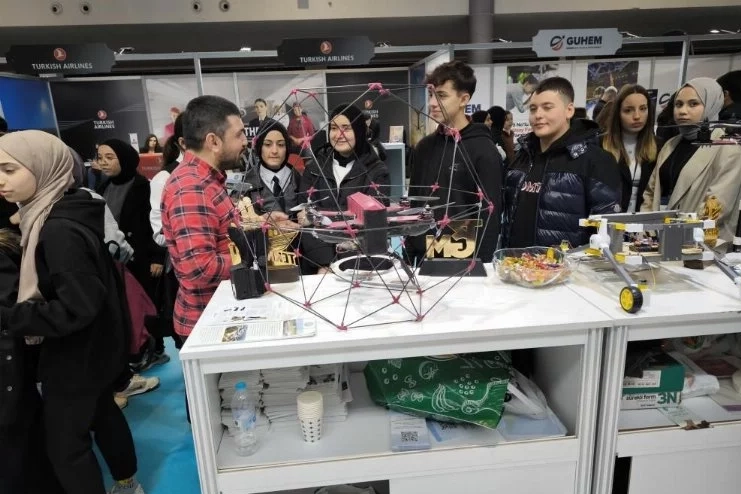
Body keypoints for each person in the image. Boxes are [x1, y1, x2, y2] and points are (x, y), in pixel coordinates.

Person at [0, 130, 144, 494]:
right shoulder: (63, 210)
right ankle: (128, 482)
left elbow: (77, 306)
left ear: (42, 167)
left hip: (76, 354)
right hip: (96, 347)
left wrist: (12, 317)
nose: (1, 181)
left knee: (66, 448)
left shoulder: (57, 228)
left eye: (9, 170)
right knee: (102, 413)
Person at [161, 95, 246, 341]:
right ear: (213, 141)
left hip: (221, 316)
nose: (245, 141)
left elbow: (220, 235)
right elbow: (200, 268)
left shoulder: (207, 180)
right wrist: (255, 251)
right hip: (209, 326)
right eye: (239, 134)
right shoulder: (192, 188)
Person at [502, 77, 621, 249]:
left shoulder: (596, 161)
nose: (538, 115)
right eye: (533, 109)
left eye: (547, 107)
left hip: (567, 265)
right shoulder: (522, 157)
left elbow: (607, 232)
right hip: (514, 262)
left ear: (569, 110)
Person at [406, 61, 502, 264]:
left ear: (463, 99)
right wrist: (410, 252)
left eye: (441, 95)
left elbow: (490, 217)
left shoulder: (483, 150)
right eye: (431, 95)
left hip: (462, 258)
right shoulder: (424, 147)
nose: (432, 103)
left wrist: (481, 266)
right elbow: (415, 202)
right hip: (423, 257)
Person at [641, 77, 741, 250]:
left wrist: (674, 237)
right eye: (678, 104)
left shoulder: (728, 147)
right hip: (658, 242)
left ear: (712, 104)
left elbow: (716, 207)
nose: (682, 111)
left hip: (700, 247)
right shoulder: (671, 144)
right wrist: (647, 231)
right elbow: (651, 193)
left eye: (693, 104)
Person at [97, 139, 168, 366]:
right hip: (116, 261)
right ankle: (134, 351)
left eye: (110, 157)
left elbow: (153, 224)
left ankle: (155, 350)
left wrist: (157, 256)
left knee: (146, 305)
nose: (104, 162)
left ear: (124, 159)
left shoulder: (142, 186)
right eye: (100, 158)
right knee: (126, 308)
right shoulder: (102, 188)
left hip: (142, 258)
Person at [298, 103, 390, 273]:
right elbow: (304, 220)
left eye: (346, 128)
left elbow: (371, 223)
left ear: (359, 131)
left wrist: (319, 215)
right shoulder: (314, 169)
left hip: (360, 267)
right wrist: (324, 263)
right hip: (319, 268)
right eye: (334, 128)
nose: (338, 134)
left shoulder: (377, 171)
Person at [602, 84, 660, 213]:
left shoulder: (659, 146)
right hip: (609, 220)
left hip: (645, 221)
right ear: (618, 113)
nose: (637, 116)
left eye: (643, 109)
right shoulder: (599, 145)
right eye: (628, 110)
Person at [243, 121, 302, 218]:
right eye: (267, 144)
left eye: (281, 145)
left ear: (287, 148)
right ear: (259, 147)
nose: (274, 151)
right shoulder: (247, 184)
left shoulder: (301, 181)